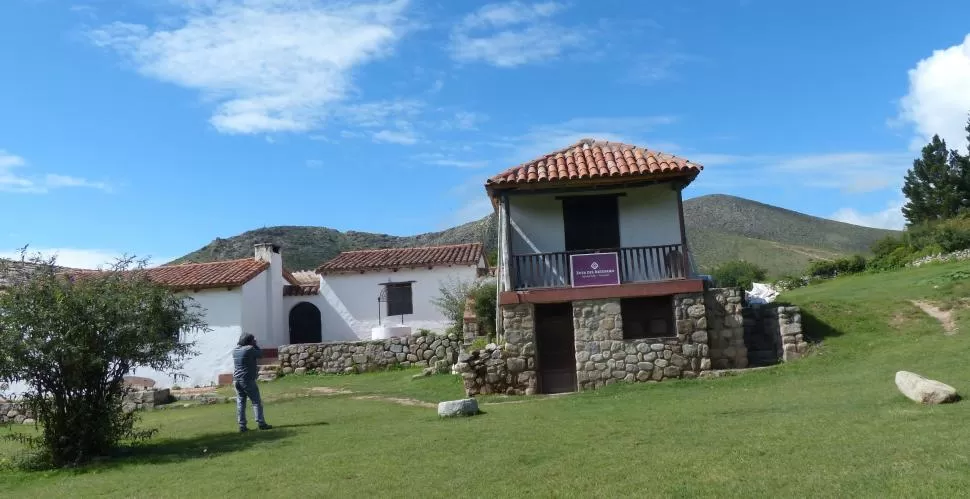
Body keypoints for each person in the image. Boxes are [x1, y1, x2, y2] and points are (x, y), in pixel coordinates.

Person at [232, 333, 272, 432]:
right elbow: (260, 354)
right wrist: (255, 344)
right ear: (249, 341)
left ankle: (242, 425)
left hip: (236, 380)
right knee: (256, 402)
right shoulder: (249, 349)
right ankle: (261, 423)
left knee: (241, 402)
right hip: (247, 379)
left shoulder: (235, 350)